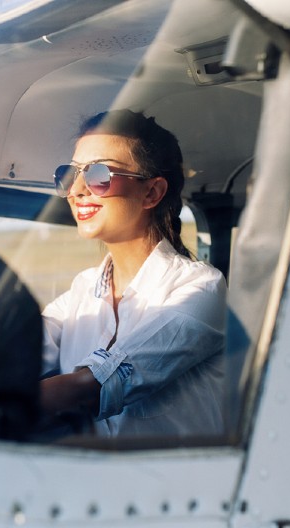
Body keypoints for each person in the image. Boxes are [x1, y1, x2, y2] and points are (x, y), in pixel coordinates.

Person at [40, 109, 227, 437]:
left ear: (152, 193)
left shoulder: (200, 288)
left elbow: (101, 384)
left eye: (100, 174)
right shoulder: (81, 291)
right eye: (70, 174)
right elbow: (18, 350)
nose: (77, 189)